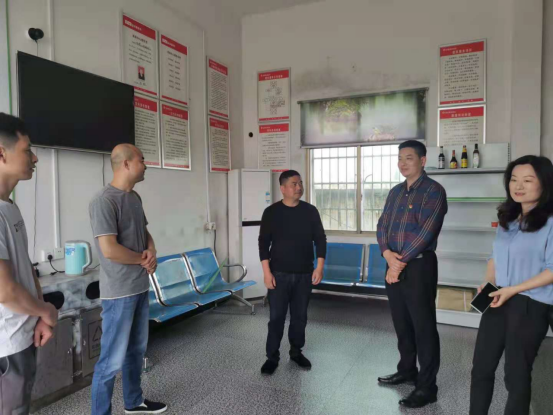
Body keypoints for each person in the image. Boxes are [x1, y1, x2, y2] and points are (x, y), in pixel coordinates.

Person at [470, 156, 553, 415]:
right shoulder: (509, 218)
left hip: (530, 304)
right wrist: (488, 282)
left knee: (515, 375)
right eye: (514, 179)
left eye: (527, 180)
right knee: (481, 368)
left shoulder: (550, 222)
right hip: (498, 299)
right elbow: (494, 256)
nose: (518, 186)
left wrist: (513, 289)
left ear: (545, 183)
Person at [89, 144, 166, 415]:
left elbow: (145, 233)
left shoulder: (134, 197)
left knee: (136, 351)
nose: (145, 165)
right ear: (126, 164)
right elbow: (109, 250)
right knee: (110, 362)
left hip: (139, 287)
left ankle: (134, 402)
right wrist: (142, 260)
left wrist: (151, 251)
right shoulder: (103, 201)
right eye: (142, 160)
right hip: (118, 293)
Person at [376, 140, 448, 409]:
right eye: (399, 158)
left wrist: (398, 263)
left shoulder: (434, 191)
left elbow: (426, 232)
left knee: (423, 326)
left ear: (423, 160)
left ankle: (428, 387)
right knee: (402, 322)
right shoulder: (395, 192)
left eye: (408, 158)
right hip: (392, 262)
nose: (402, 163)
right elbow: (382, 224)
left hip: (418, 266)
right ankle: (407, 370)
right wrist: (387, 254)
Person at [0, 113, 58, 415]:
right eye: (27, 150)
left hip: (22, 333)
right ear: (2, 154)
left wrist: (39, 314)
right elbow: (5, 291)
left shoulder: (9, 206)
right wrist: (46, 311)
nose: (34, 158)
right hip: (6, 344)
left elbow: (25, 266)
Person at [258, 170, 326, 375]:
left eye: (300, 183)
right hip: (279, 274)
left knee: (299, 317)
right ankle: (272, 357)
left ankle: (296, 352)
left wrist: (319, 266)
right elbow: (263, 244)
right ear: (283, 188)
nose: (299, 187)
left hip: (304, 274)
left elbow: (320, 239)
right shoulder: (271, 212)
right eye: (294, 184)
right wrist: (267, 273)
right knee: (276, 318)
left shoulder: (310, 211)